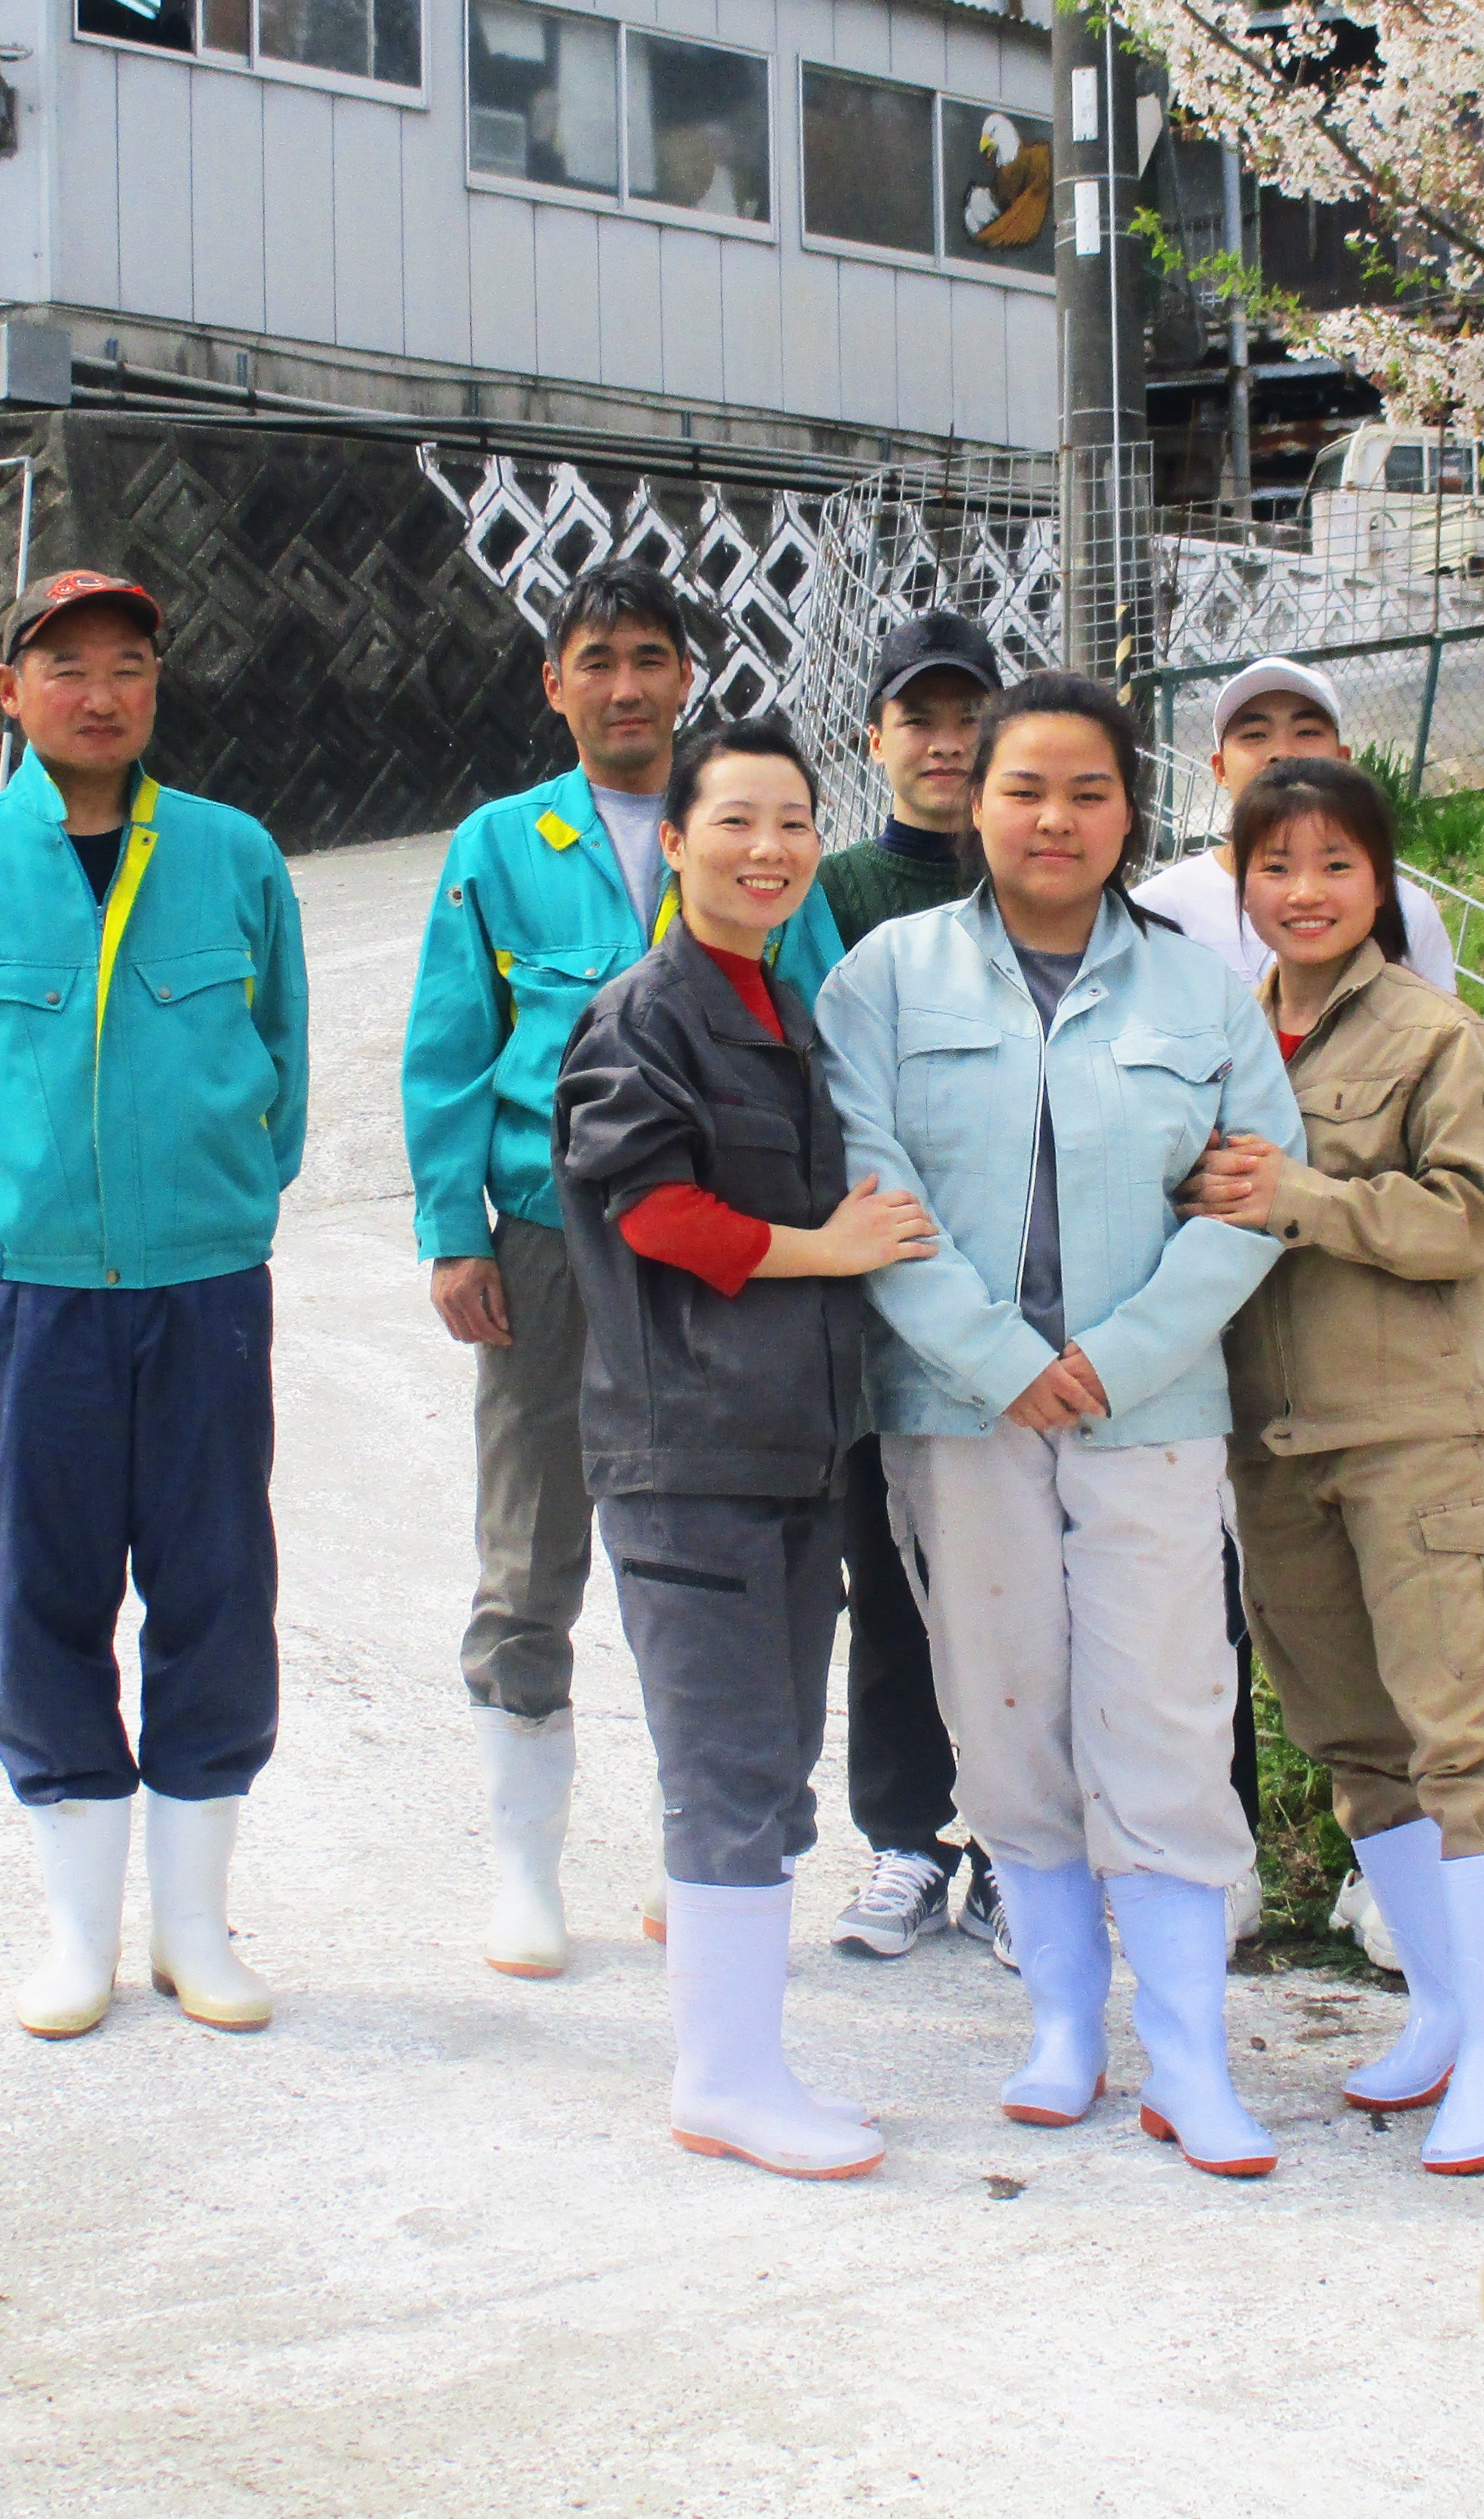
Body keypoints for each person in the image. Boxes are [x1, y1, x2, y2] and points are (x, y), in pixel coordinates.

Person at [817, 673, 1304, 2176]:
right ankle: (1062, 2028)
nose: (1054, 818)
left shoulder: (1194, 991)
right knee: (1004, 1702)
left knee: (1163, 1711)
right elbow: (866, 1180)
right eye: (1025, 787)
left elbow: (1252, 1195)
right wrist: (990, 1358)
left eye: (1087, 791)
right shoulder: (885, 980)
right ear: (972, 799)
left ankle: (1191, 2059)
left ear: (1127, 812)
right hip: (957, 1416)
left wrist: (1111, 1354)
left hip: (1143, 1409)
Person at [0, 568, 310, 2040]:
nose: (100, 691)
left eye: (129, 665)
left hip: (203, 1293)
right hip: (35, 1302)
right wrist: (9, 1200)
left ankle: (194, 1926)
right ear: (10, 691)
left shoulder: (233, 855)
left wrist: (222, 1191)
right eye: (66, 667)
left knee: (214, 1585)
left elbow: (281, 1058)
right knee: (37, 1591)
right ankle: (76, 1936)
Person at [403, 558, 845, 1977]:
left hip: (736, 1244)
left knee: (723, 1538)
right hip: (549, 1233)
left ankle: (696, 1845)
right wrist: (452, 1225)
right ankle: (524, 1863)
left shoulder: (748, 825)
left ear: (686, 676)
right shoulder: (498, 842)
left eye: (650, 656)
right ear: (555, 683)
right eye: (595, 659)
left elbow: (823, 1023)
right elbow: (446, 1045)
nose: (625, 684)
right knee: (532, 1541)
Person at [552, 718, 941, 2176]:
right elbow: (652, 1212)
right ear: (672, 839)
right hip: (688, 1449)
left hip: (788, 1448)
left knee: (771, 1761)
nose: (768, 848)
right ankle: (720, 2077)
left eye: (791, 822)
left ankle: (741, 2057)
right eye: (734, 822)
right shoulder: (643, 1013)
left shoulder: (785, 1006)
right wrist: (825, 1247)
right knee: (725, 1765)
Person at [1182, 756, 1484, 2173]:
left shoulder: (1436, 1034)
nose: (1305, 891)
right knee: (1353, 1738)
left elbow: (1473, 1217)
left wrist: (1305, 1196)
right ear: (1241, 880)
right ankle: (1451, 2007)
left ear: (1379, 879)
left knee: (1465, 1735)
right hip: (1266, 1441)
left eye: (1335, 864)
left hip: (1409, 1438)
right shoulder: (1225, 1036)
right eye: (1276, 865)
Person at [811, 610, 1004, 1965]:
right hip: (881, 1281)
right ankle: (900, 1835)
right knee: (882, 1573)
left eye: (967, 715)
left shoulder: (1047, 870)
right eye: (918, 719)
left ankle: (1012, 1846)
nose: (946, 743)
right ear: (874, 737)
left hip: (1030, 1282)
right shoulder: (832, 888)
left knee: (1020, 1581)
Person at [1127, 657, 1460, 994]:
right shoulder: (1155, 912)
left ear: (1343, 760)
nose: (1282, 752)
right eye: (1255, 735)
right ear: (1220, 769)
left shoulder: (1407, 908)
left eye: (1306, 732)